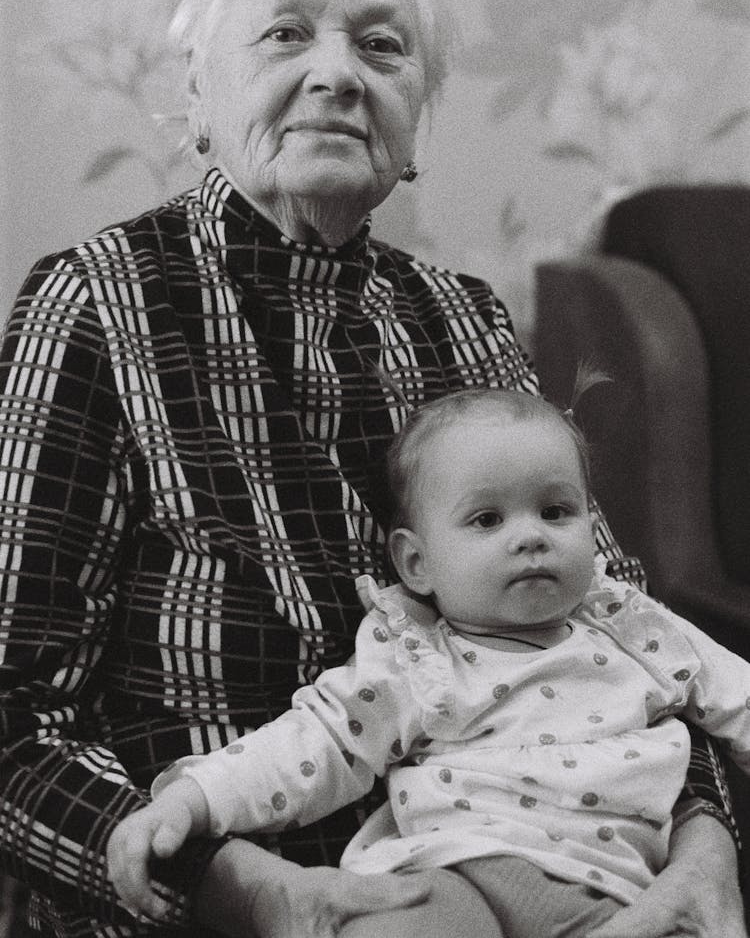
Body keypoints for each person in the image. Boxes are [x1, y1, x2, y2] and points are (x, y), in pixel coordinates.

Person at [0, 0, 744, 938]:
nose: (340, 73)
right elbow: (15, 715)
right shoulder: (97, 303)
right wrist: (234, 888)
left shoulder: (464, 319)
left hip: (531, 882)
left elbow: (610, 627)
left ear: (414, 116)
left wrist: (706, 843)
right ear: (197, 95)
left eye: (382, 46)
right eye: (286, 33)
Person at [106, 386, 750, 937]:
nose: (531, 535)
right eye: (487, 519)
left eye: (556, 511)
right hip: (451, 872)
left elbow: (738, 697)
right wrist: (189, 803)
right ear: (417, 563)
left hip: (613, 897)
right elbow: (312, 744)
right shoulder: (414, 657)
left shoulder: (633, 628)